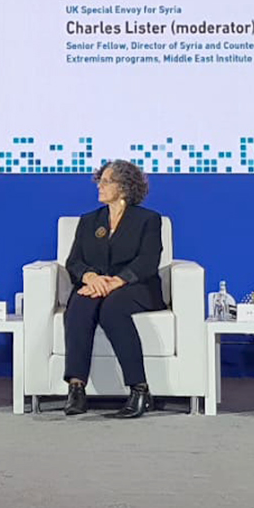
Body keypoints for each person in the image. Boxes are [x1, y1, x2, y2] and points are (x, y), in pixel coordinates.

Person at [60, 160, 166, 419]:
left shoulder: (148, 220)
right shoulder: (89, 221)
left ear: (124, 187)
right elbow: (74, 261)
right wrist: (91, 277)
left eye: (107, 181)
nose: (100, 185)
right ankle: (76, 388)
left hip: (136, 287)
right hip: (95, 285)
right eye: (100, 180)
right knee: (79, 306)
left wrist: (116, 281)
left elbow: (148, 260)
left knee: (112, 309)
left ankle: (139, 389)